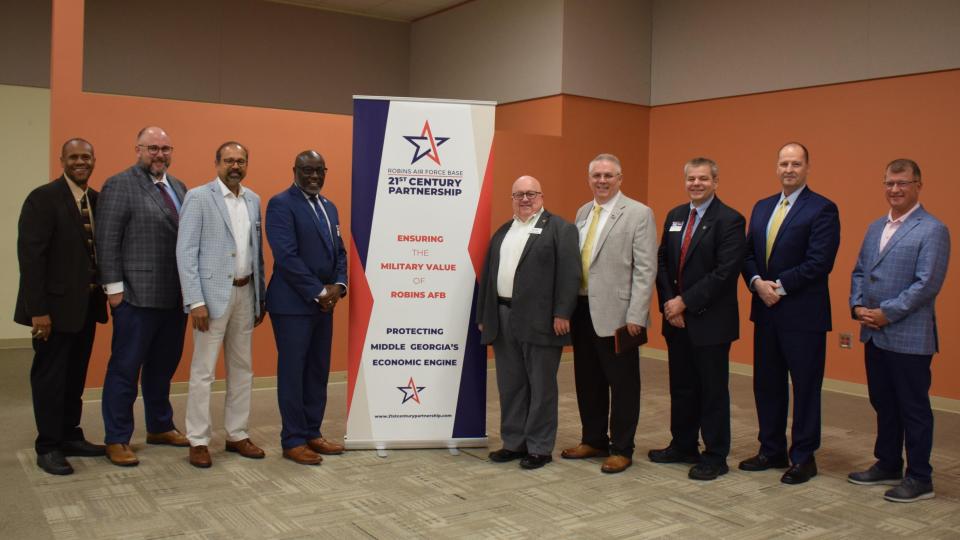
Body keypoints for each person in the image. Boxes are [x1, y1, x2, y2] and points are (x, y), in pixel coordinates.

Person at [848, 159, 950, 503]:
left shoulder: (932, 229)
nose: (895, 189)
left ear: (918, 185)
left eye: (903, 183)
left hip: (908, 335)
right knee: (883, 402)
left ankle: (920, 477)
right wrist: (858, 306)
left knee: (913, 407)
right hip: (874, 333)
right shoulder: (876, 227)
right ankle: (888, 462)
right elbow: (860, 269)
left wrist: (885, 314)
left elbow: (927, 285)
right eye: (890, 183)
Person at [740, 142, 840, 484]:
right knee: (766, 384)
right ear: (777, 167)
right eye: (784, 163)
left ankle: (803, 456)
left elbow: (819, 263)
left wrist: (777, 287)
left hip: (802, 315)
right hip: (765, 312)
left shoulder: (822, 209)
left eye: (796, 164)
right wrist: (756, 282)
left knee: (806, 386)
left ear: (807, 168)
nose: (789, 169)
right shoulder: (763, 206)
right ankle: (771, 449)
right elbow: (748, 253)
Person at [96, 126, 190, 466]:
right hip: (135, 297)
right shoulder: (120, 184)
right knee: (125, 368)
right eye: (152, 148)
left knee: (162, 367)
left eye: (165, 148)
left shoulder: (179, 187)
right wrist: (114, 291)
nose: (159, 154)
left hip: (174, 297)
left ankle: (160, 425)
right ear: (138, 149)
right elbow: (107, 240)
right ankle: (117, 437)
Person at [15, 138, 109, 475]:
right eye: (74, 157)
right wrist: (37, 310)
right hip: (52, 312)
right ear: (62, 160)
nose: (80, 162)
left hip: (85, 308)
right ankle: (49, 445)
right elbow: (31, 259)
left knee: (75, 378)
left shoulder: (97, 201)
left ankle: (71, 435)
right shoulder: (42, 199)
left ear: (94, 159)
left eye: (86, 156)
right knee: (50, 379)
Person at [649, 157, 746, 481]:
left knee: (712, 390)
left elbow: (724, 273)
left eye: (703, 179)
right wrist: (668, 303)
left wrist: (684, 303)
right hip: (675, 320)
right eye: (691, 178)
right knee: (682, 387)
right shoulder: (676, 215)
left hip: (710, 322)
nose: (696, 184)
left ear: (715, 182)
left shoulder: (730, 220)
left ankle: (715, 455)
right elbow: (661, 261)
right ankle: (683, 444)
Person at [561, 153, 657, 474]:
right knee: (588, 379)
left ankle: (622, 448)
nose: (602, 181)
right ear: (589, 179)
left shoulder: (639, 214)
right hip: (583, 309)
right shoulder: (583, 211)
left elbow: (645, 269)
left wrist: (637, 314)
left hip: (619, 315)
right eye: (596, 175)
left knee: (623, 383)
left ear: (620, 178)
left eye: (608, 175)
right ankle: (594, 438)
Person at [477, 176, 580, 470]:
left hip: (543, 321)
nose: (525, 199)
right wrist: (485, 316)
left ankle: (539, 446)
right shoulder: (503, 232)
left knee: (541, 386)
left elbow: (571, 275)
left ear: (541, 196)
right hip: (503, 317)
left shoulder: (561, 229)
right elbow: (489, 277)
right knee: (511, 385)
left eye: (531, 193)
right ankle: (513, 442)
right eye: (519, 194)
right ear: (512, 198)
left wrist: (563, 313)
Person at [176, 142, 267, 468]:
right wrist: (195, 300)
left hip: (245, 293)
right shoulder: (199, 198)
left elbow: (256, 252)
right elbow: (185, 252)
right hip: (210, 299)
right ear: (217, 163)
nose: (235, 166)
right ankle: (198, 439)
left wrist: (260, 298)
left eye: (241, 160)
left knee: (243, 369)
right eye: (229, 160)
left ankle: (237, 433)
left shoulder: (253, 200)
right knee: (203, 372)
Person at [265, 150, 347, 465]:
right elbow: (285, 256)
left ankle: (313, 431)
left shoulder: (329, 207)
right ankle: (293, 439)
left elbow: (339, 252)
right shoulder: (281, 204)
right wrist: (317, 291)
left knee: (317, 370)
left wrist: (339, 287)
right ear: (295, 170)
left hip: (325, 306)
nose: (313, 176)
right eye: (307, 170)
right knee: (293, 372)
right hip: (292, 306)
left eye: (319, 170)